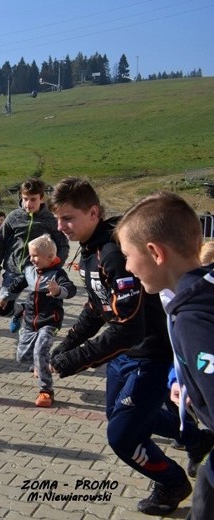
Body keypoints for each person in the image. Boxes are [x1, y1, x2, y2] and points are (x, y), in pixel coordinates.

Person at [48, 178, 211, 516]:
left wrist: (74, 360)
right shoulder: (92, 252)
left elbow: (129, 328)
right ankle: (196, 439)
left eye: (68, 218)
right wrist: (67, 344)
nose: (61, 227)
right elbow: (97, 306)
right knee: (123, 419)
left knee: (122, 436)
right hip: (124, 358)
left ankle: (173, 482)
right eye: (58, 219)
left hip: (147, 355)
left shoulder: (115, 253)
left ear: (93, 212)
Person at [116, 191, 214, 518]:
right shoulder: (199, 292)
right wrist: (184, 380)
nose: (127, 266)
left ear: (155, 253)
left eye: (128, 255)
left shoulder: (193, 321)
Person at [2, 234, 76, 407]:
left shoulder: (57, 274)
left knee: (40, 351)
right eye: (30, 255)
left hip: (50, 321)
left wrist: (58, 291)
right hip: (29, 321)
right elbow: (18, 284)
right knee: (22, 357)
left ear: (49, 257)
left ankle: (46, 391)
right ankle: (19, 312)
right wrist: (6, 298)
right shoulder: (30, 271)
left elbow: (70, 288)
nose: (31, 259)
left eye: (35, 255)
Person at [0, 179, 69, 333]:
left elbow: (63, 245)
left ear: (41, 198)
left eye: (33, 199)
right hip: (13, 269)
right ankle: (19, 311)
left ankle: (47, 325)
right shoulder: (14, 216)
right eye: (25, 199)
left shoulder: (51, 219)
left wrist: (55, 266)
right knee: (3, 308)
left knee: (41, 306)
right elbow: (0, 240)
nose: (28, 203)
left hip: (37, 272)